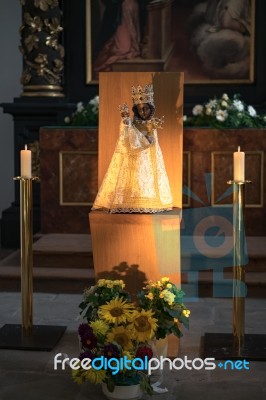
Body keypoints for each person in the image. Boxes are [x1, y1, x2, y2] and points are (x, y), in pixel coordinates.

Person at [92, 84, 173, 213]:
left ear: (151, 108)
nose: (143, 112)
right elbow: (127, 140)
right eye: (140, 109)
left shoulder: (152, 124)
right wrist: (125, 120)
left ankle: (150, 202)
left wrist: (146, 133)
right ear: (135, 110)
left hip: (147, 159)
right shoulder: (132, 123)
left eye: (145, 109)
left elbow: (149, 142)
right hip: (132, 159)